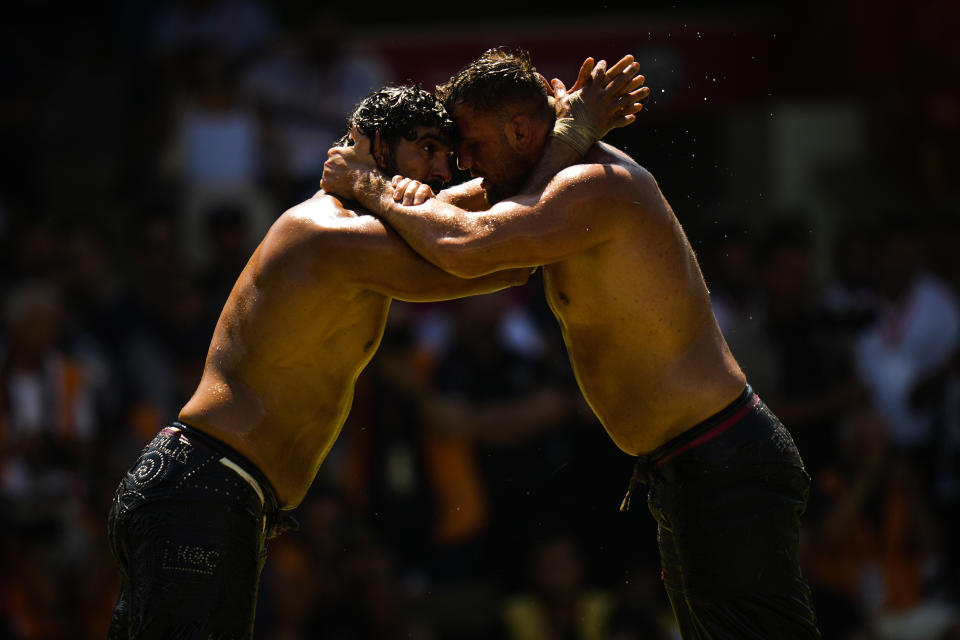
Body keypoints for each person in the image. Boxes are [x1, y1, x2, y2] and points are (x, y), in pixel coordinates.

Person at [107, 72, 639, 638]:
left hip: (225, 497)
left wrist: (553, 135)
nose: (442, 170)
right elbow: (492, 253)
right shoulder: (323, 231)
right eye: (427, 149)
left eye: (448, 154)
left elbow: (492, 214)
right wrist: (569, 135)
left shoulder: (373, 225)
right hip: (202, 487)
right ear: (372, 143)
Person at [321, 47, 822, 638]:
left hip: (724, 459)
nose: (466, 166)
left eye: (473, 147)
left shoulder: (592, 187)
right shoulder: (544, 188)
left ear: (520, 130)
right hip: (686, 468)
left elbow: (467, 248)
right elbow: (456, 226)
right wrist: (569, 130)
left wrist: (371, 186)